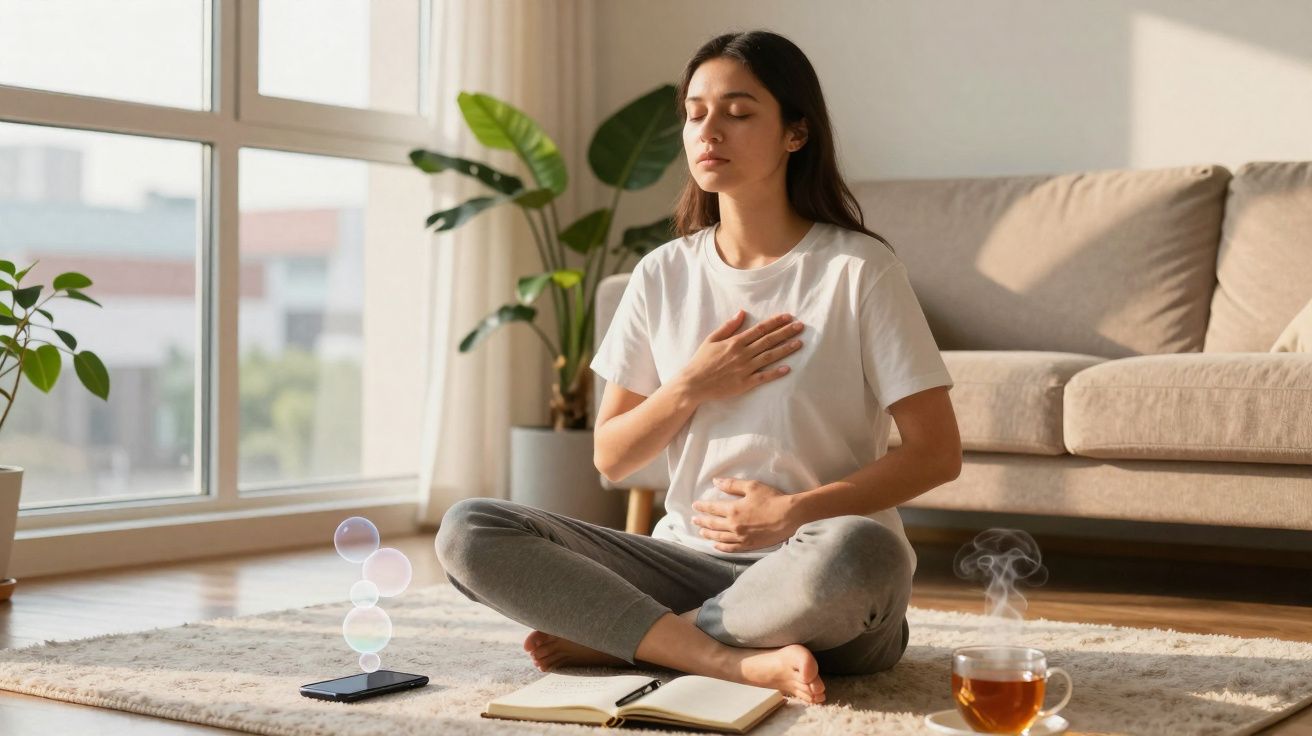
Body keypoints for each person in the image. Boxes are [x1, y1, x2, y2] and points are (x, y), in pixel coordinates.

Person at [435, 29, 961, 705]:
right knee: (469, 529)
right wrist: (690, 385)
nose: (709, 131)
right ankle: (723, 658)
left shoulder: (859, 270)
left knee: (866, 553)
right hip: (685, 562)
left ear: (795, 133)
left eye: (738, 113)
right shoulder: (661, 274)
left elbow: (937, 453)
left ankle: (642, 637)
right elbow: (613, 457)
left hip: (817, 581)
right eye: (694, 113)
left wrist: (792, 512)